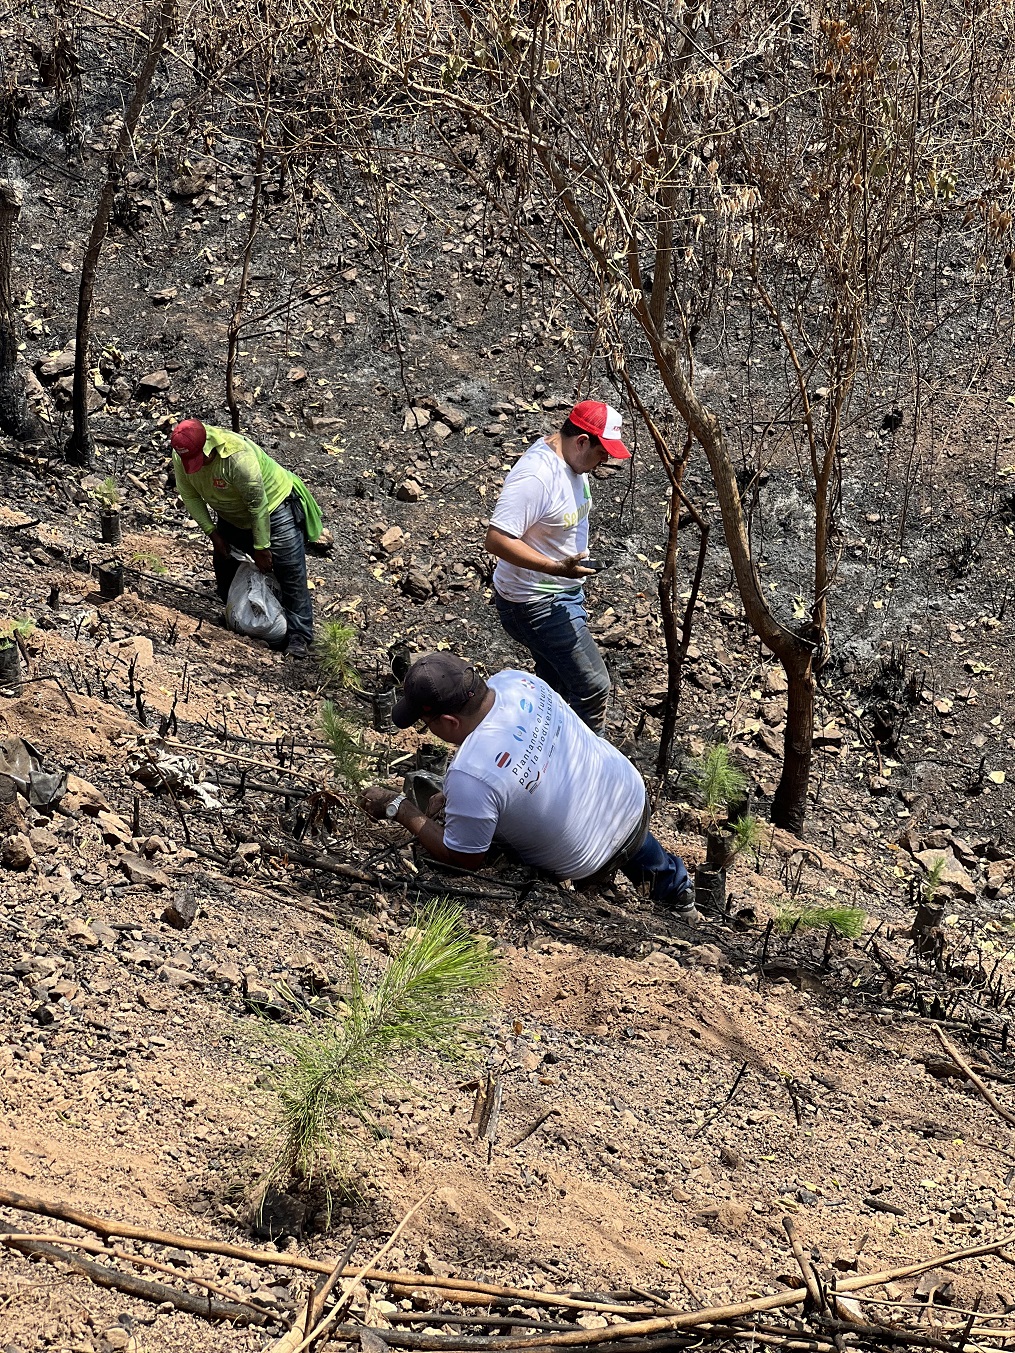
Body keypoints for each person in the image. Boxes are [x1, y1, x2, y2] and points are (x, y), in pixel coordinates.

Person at [361, 653, 698, 920]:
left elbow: (463, 859)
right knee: (638, 849)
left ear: (449, 721)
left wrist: (399, 807)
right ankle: (679, 895)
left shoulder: (470, 773)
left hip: (586, 862)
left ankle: (595, 899)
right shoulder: (516, 681)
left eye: (427, 723)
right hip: (628, 797)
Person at [484, 400, 631, 735]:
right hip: (534, 603)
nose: (605, 460)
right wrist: (555, 567)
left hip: (560, 594)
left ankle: (541, 755)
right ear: (581, 441)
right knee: (593, 688)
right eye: (602, 451)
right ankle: (582, 771)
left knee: (556, 690)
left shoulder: (573, 463)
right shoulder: (536, 476)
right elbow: (496, 540)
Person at [170, 420, 323, 657]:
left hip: (273, 508)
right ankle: (237, 614)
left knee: (289, 571)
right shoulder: (182, 452)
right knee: (225, 565)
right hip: (231, 514)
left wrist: (261, 547)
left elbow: (257, 504)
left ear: (207, 447)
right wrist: (213, 534)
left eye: (199, 460)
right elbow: (189, 496)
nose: (195, 467)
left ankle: (298, 637)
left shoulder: (237, 457)